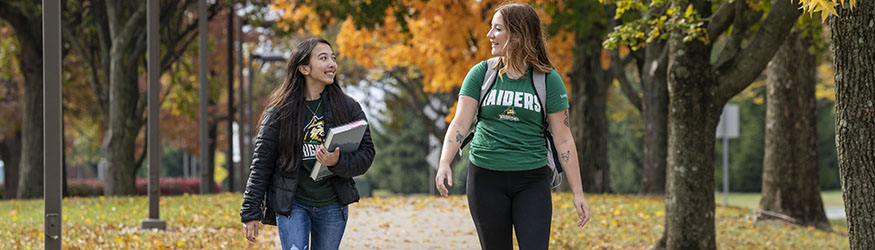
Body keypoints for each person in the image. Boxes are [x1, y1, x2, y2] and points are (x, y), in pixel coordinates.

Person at [435, 3, 591, 250]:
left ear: (517, 36)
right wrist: (444, 162)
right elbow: (460, 122)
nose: (489, 35)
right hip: (485, 178)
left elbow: (563, 139)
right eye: (491, 28)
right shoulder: (481, 73)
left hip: (532, 180)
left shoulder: (548, 80)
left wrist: (578, 192)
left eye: (497, 29)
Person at [240, 38, 374, 250]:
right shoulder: (279, 112)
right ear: (304, 68)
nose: (332, 64)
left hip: (332, 204)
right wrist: (250, 212)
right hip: (294, 204)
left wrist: (337, 161)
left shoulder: (348, 107)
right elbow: (261, 164)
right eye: (323, 58)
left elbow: (367, 155)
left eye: (333, 58)